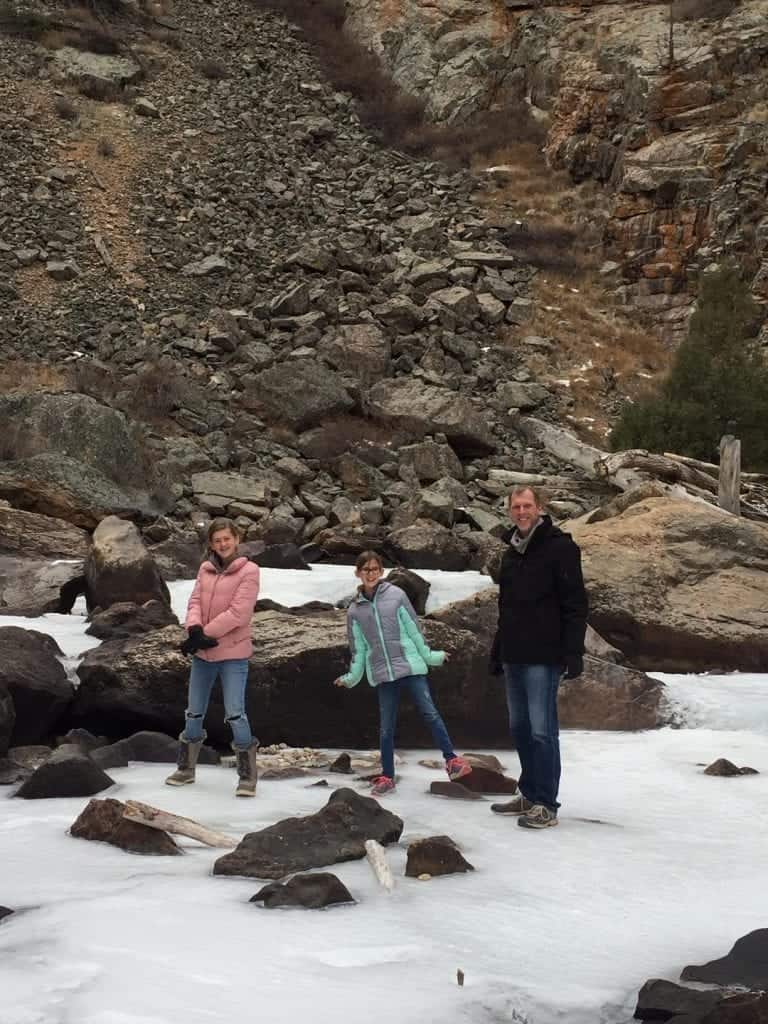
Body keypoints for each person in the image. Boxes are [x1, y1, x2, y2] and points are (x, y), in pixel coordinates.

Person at [333, 550, 472, 796]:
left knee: (430, 713)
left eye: (375, 569)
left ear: (382, 571)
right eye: (366, 570)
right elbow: (359, 649)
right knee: (386, 727)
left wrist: (431, 657)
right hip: (384, 674)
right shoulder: (354, 611)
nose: (371, 574)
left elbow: (414, 630)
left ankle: (452, 761)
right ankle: (387, 776)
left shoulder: (397, 595)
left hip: (410, 666)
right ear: (357, 573)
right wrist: (351, 678)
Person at [489, 486, 588, 829]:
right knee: (520, 729)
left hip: (544, 656)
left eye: (527, 505)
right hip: (515, 654)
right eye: (516, 507)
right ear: (509, 511)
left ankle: (546, 803)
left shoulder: (560, 548)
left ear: (540, 508)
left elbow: (575, 604)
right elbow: (507, 608)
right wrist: (498, 649)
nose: (521, 511)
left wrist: (573, 652)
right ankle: (529, 793)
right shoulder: (511, 553)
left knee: (543, 731)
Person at [165, 518, 261, 797]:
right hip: (203, 653)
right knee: (194, 711)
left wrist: (204, 633)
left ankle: (247, 775)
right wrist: (193, 629)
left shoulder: (249, 571)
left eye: (226, 539)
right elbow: (194, 601)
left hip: (232, 654)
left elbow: (239, 613)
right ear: (211, 543)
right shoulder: (205, 569)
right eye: (217, 540)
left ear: (237, 539)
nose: (222, 544)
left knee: (235, 713)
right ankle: (186, 769)